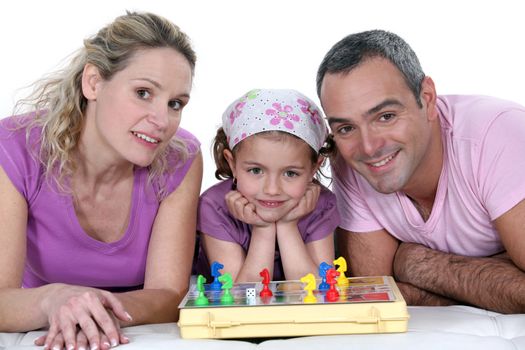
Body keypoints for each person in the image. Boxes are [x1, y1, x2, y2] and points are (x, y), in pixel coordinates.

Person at [0, 11, 203, 350]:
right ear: (93, 82)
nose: (162, 120)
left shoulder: (180, 158)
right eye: (143, 92)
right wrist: (55, 301)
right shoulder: (14, 148)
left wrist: (97, 309)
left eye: (175, 104)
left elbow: (169, 294)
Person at [316, 29, 525, 314]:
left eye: (386, 116)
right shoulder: (350, 160)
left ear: (426, 99)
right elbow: (379, 291)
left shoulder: (497, 134)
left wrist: (416, 264)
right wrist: (493, 277)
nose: (368, 147)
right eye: (346, 127)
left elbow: (403, 288)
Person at [195, 89, 339, 283]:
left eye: (290, 173)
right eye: (256, 171)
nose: (272, 190)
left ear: (314, 167)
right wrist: (262, 230)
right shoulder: (215, 206)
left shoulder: (322, 205)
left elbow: (316, 292)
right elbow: (242, 299)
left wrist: (288, 226)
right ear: (232, 163)